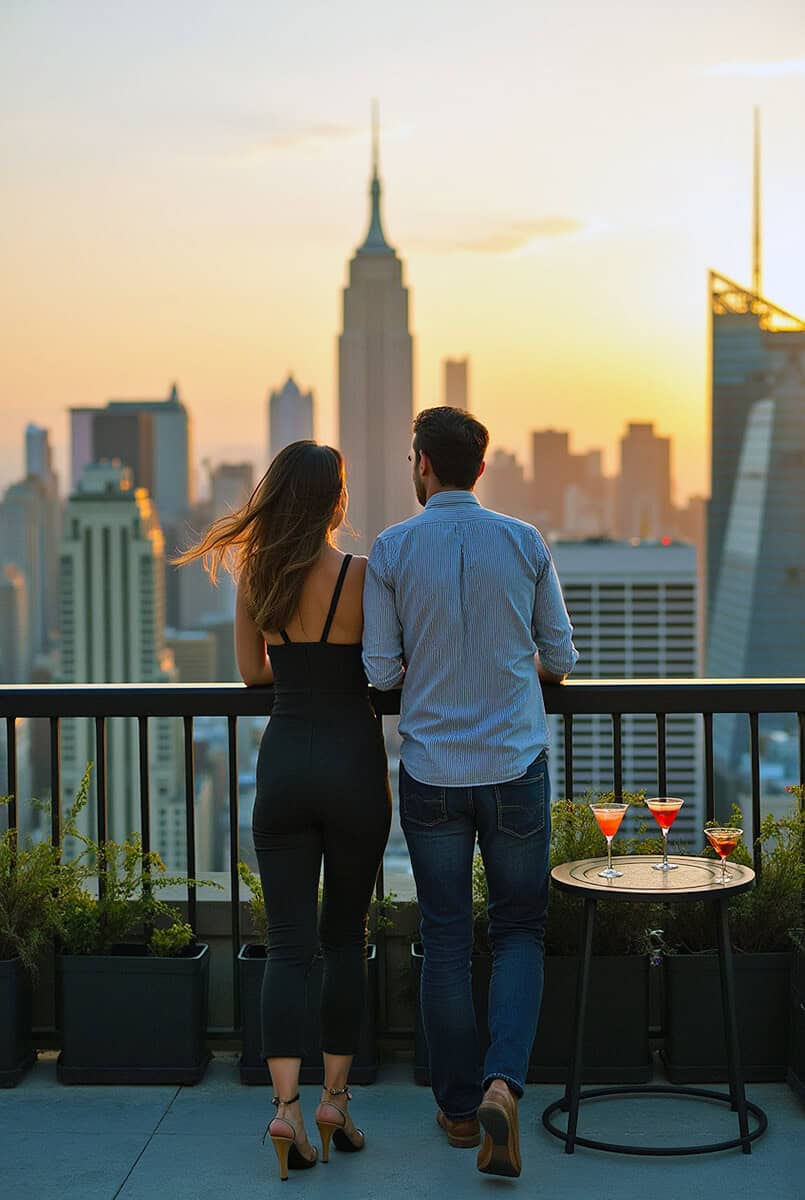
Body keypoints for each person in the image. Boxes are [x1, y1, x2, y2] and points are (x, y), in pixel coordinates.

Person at [362, 407, 577, 1179]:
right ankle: (502, 1086)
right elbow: (560, 656)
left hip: (432, 775)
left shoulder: (390, 548)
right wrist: (513, 670)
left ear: (420, 463)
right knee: (519, 929)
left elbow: (381, 674)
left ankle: (457, 1111)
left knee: (447, 938)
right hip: (515, 764)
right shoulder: (521, 541)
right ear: (480, 468)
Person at [176, 441, 391, 1181]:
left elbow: (248, 673)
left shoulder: (255, 577)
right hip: (354, 764)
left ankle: (285, 1110)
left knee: (289, 943)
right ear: (335, 502)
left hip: (284, 765)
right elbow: (385, 666)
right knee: (343, 938)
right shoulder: (363, 577)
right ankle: (335, 1099)